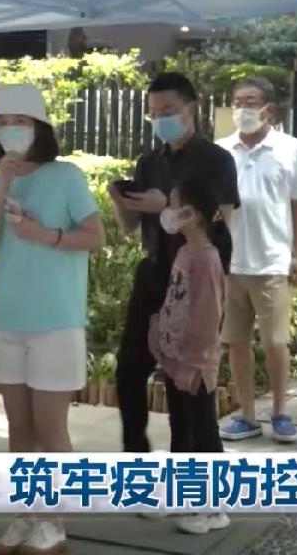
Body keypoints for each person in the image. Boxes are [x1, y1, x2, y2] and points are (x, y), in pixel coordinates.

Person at [0, 84, 103, 555]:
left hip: (55, 320)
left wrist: (44, 234)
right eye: (4, 122)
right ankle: (26, 514)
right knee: (19, 430)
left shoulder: (66, 176)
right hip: (8, 318)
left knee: (51, 429)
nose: (11, 129)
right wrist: (2, 184)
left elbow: (95, 237)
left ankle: (55, 522)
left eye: (21, 121)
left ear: (40, 128)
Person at [108, 72, 239, 453]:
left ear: (190, 108)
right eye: (153, 112)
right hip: (153, 272)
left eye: (168, 110)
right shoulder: (149, 162)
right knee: (129, 370)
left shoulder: (216, 160)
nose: (160, 118)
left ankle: (188, 468)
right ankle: (136, 457)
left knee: (186, 382)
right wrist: (120, 201)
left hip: (195, 277)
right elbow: (130, 226)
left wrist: (165, 204)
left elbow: (222, 222)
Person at [216, 77, 297, 444]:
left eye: (250, 101)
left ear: (268, 109)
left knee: (275, 343)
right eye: (237, 101)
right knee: (235, 341)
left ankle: (280, 412)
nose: (242, 108)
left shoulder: (289, 149)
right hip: (231, 264)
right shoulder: (221, 151)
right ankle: (246, 414)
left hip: (272, 261)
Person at [147, 175, 228, 535]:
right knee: (181, 427)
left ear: (191, 214)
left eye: (174, 204)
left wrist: (193, 363)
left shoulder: (207, 260)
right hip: (174, 359)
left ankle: (214, 507)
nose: (168, 211)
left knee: (203, 432)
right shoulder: (184, 252)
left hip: (195, 365)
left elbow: (207, 317)